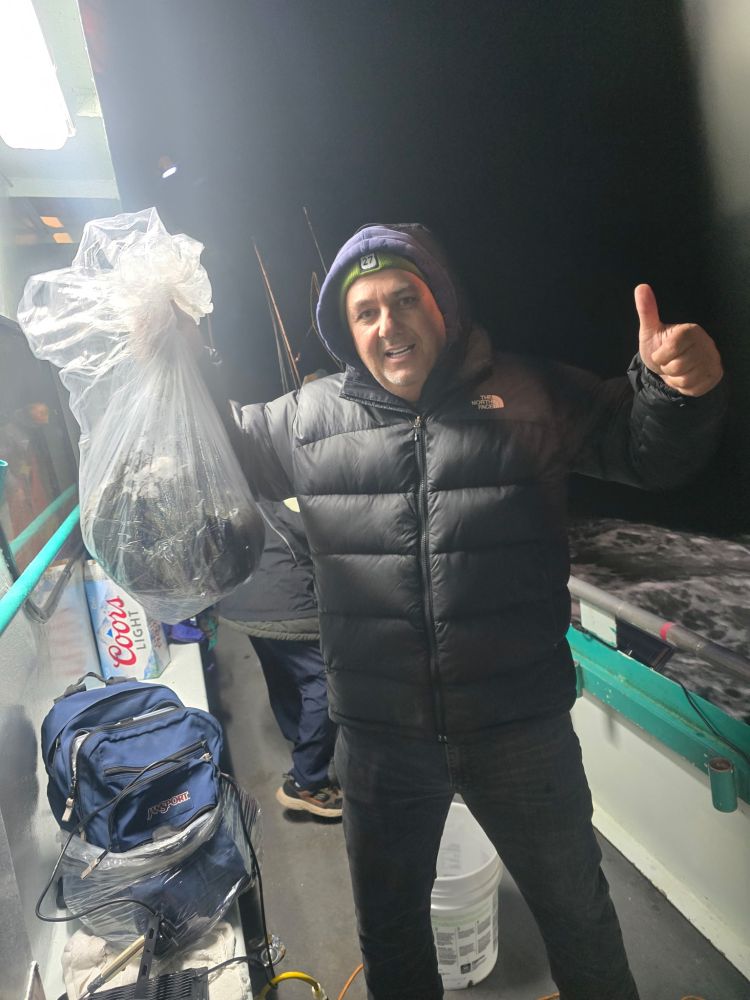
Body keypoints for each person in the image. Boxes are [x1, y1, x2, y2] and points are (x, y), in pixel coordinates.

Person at [205, 223, 725, 1000]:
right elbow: (203, 446)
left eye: (405, 299)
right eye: (367, 312)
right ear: (347, 333)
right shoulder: (306, 418)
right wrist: (161, 359)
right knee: (390, 930)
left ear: (442, 302)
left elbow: (645, 449)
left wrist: (679, 391)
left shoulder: (530, 393)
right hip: (380, 741)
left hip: (522, 727)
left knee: (579, 918)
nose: (389, 324)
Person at [220, 497, 341, 817]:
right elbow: (319, 532)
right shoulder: (286, 487)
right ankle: (308, 782)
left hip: (240, 598)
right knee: (326, 682)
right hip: (281, 600)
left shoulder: (244, 488)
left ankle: (300, 738)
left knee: (281, 670)